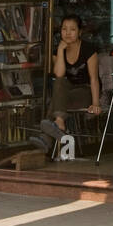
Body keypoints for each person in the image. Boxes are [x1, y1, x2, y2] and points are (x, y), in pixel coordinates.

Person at [40, 14, 100, 148]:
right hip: (68, 92)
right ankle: (59, 122)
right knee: (59, 82)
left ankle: (46, 138)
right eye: (64, 29)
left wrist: (96, 103)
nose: (67, 33)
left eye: (72, 29)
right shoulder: (58, 50)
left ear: (79, 32)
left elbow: (94, 79)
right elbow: (59, 74)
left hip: (86, 91)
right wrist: (61, 51)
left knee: (56, 99)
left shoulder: (88, 49)